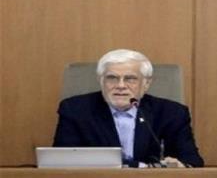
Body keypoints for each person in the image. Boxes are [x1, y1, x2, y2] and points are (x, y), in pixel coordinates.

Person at [52, 49, 204, 168]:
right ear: (101, 81)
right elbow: (62, 160)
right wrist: (140, 166)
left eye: (130, 79)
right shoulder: (75, 110)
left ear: (146, 84)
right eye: (112, 78)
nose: (120, 86)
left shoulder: (172, 113)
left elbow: (193, 161)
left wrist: (181, 166)